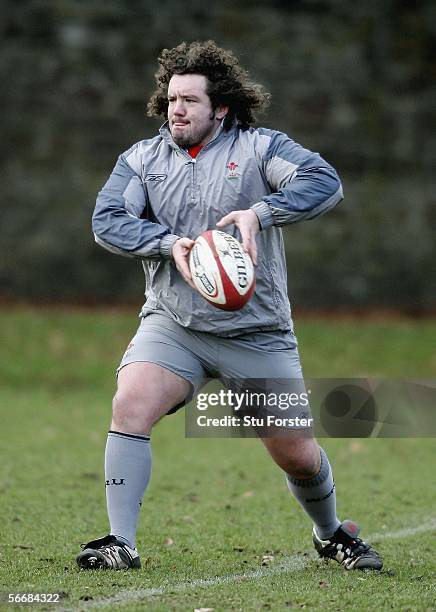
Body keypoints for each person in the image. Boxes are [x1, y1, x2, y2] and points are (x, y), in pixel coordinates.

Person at [76, 41, 382, 572]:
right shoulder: (142, 160)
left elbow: (323, 183)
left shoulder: (262, 148)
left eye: (191, 100)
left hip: (256, 334)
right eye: (172, 98)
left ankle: (331, 533)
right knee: (131, 402)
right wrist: (168, 244)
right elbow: (107, 220)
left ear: (220, 108)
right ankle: (118, 542)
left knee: (297, 455)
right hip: (175, 325)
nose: (177, 109)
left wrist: (259, 213)